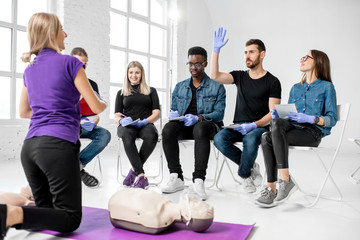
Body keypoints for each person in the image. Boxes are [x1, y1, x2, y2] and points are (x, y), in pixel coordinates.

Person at [0, 13, 107, 239]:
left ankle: (7, 213)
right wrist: (102, 103)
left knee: (46, 213)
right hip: (57, 146)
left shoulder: (30, 69)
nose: (65, 34)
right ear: (51, 34)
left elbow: (24, 112)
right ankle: (12, 214)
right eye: (61, 29)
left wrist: (49, 108)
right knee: (69, 218)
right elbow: (97, 107)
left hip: (30, 148)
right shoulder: (71, 63)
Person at [255, 50, 337, 207]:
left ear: (319, 61)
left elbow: (332, 119)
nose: (302, 59)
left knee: (269, 135)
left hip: (312, 133)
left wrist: (311, 118)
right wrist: (279, 114)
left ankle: (284, 181)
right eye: (302, 57)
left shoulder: (327, 87)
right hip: (292, 128)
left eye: (307, 57)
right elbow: (289, 116)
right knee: (268, 133)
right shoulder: (295, 88)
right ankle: (272, 187)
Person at [210, 27, 282, 193]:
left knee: (250, 140)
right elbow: (214, 76)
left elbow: (273, 113)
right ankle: (250, 168)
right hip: (238, 125)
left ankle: (244, 174)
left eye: (251, 52)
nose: (247, 56)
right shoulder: (240, 76)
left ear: (262, 54)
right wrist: (216, 51)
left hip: (259, 127)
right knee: (219, 139)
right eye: (245, 52)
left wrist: (254, 125)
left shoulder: (273, 82)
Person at [161, 46, 226, 200]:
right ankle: (176, 176)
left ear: (205, 64)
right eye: (190, 64)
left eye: (197, 64)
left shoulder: (217, 87)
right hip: (186, 125)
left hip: (208, 126)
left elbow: (219, 114)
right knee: (168, 129)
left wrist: (199, 117)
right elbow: (175, 110)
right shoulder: (180, 86)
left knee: (200, 128)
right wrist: (174, 115)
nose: (193, 67)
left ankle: (198, 179)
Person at [114, 61, 160, 189]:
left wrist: (146, 121)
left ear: (141, 74)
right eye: (131, 72)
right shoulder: (121, 92)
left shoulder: (151, 91)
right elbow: (117, 114)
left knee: (152, 135)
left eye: (137, 72)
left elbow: (157, 113)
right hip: (128, 125)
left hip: (145, 123)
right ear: (127, 74)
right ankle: (141, 175)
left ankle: (133, 172)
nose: (134, 75)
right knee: (126, 135)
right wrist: (121, 121)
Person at [70, 47, 111, 188]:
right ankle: (79, 172)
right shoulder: (62, 83)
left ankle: (75, 167)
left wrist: (93, 121)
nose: (81, 66)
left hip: (84, 126)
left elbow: (96, 113)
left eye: (84, 63)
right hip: (68, 126)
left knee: (104, 135)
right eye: (77, 62)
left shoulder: (91, 85)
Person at [108, 188, 214, 234]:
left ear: (187, 215)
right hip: (118, 198)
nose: (192, 199)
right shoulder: (164, 204)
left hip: (116, 203)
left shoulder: (157, 218)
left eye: (195, 203)